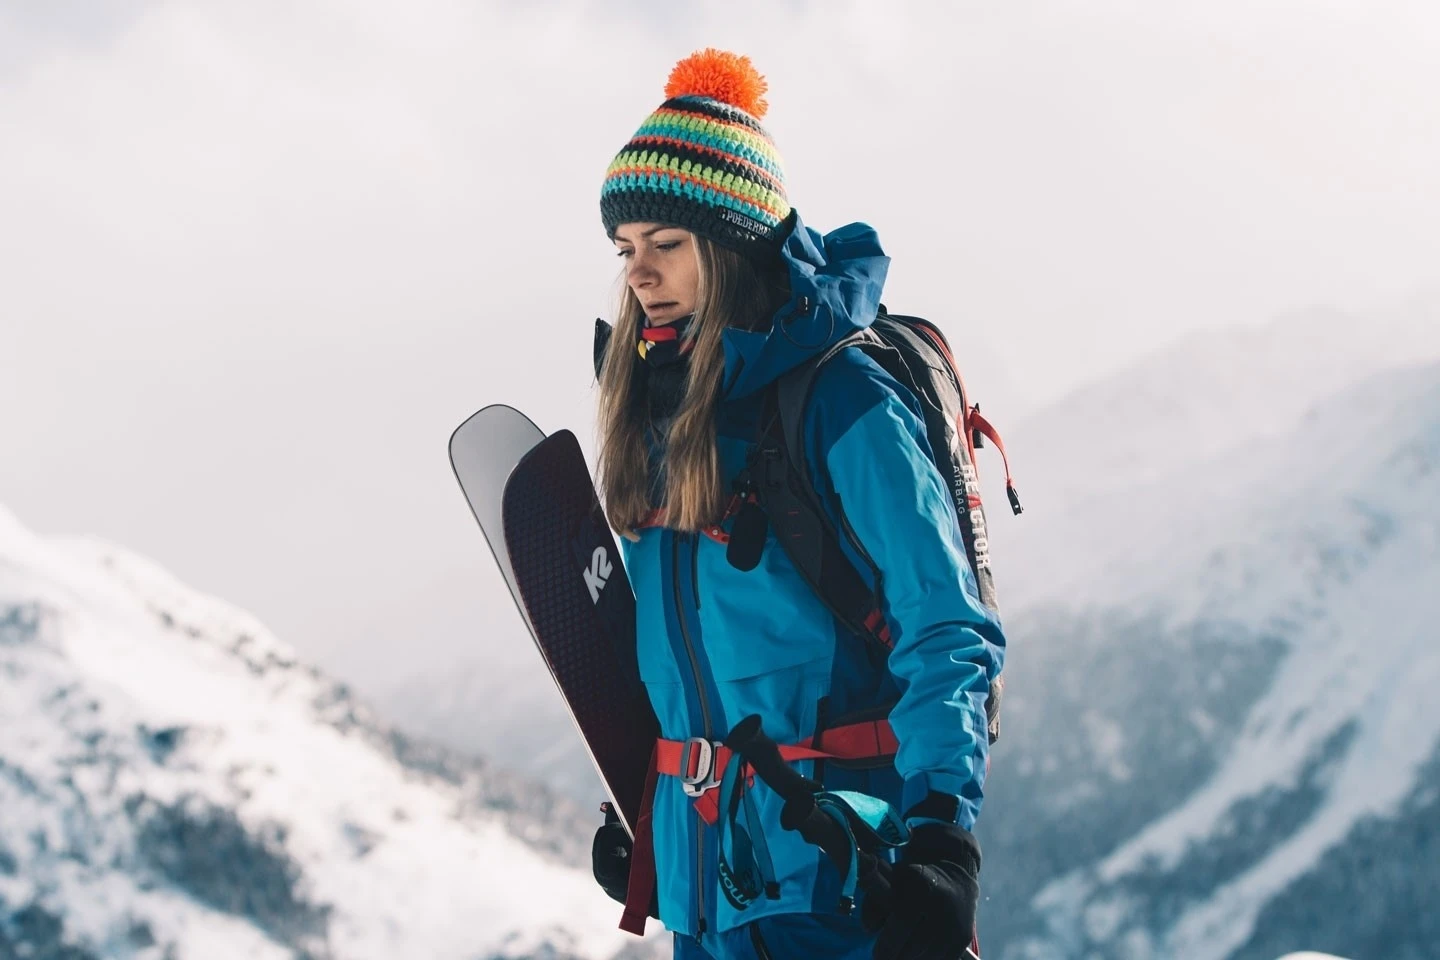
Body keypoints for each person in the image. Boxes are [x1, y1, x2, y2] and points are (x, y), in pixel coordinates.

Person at [588, 48, 1006, 960]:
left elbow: (946, 626)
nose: (639, 275)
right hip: (711, 886)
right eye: (626, 249)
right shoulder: (657, 416)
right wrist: (648, 801)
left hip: (837, 874)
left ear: (734, 247)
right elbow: (681, 655)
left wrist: (941, 833)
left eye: (666, 245)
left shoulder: (838, 399)